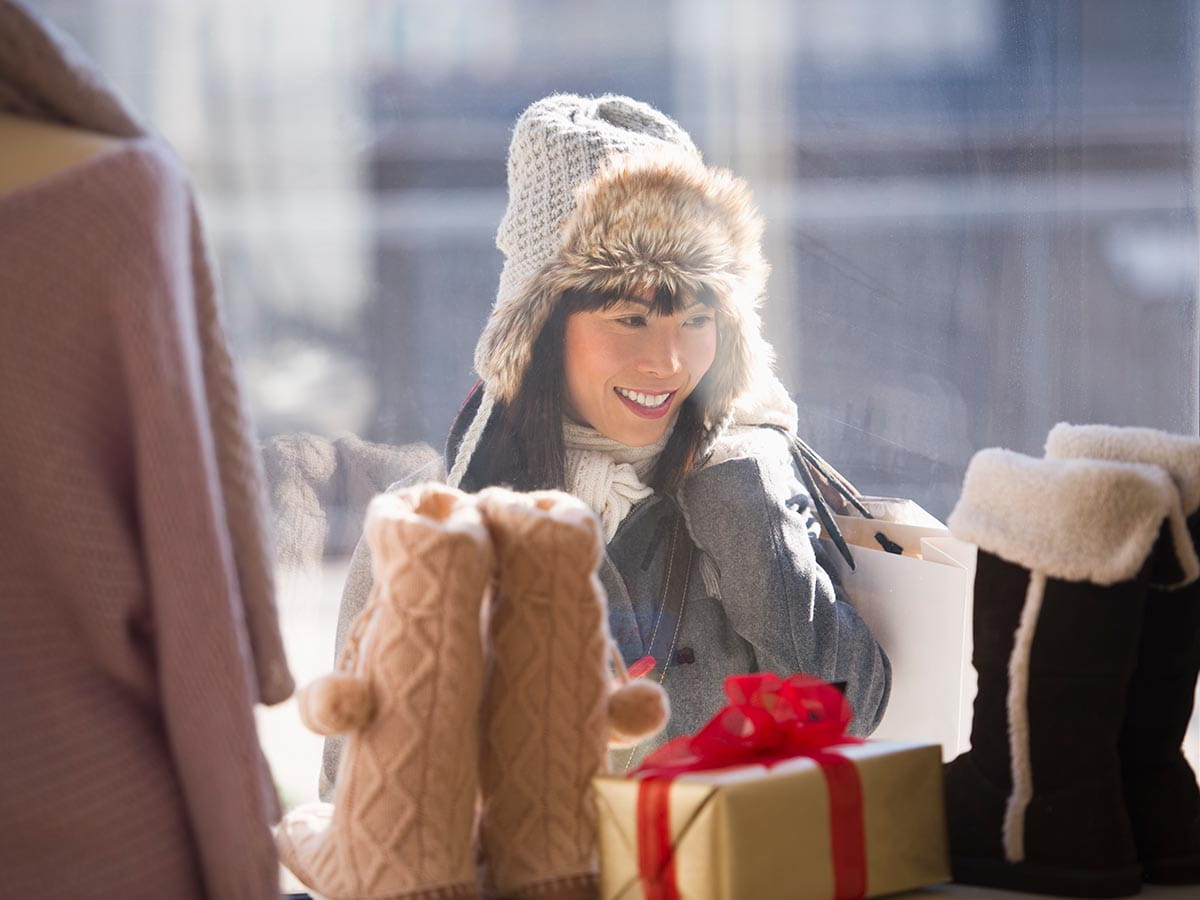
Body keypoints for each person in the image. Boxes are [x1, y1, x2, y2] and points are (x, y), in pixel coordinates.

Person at [325, 93, 890, 789]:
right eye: (630, 317)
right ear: (540, 329)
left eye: (696, 316)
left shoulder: (749, 490)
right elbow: (355, 803)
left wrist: (747, 503)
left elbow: (849, 713)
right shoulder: (429, 522)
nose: (670, 362)